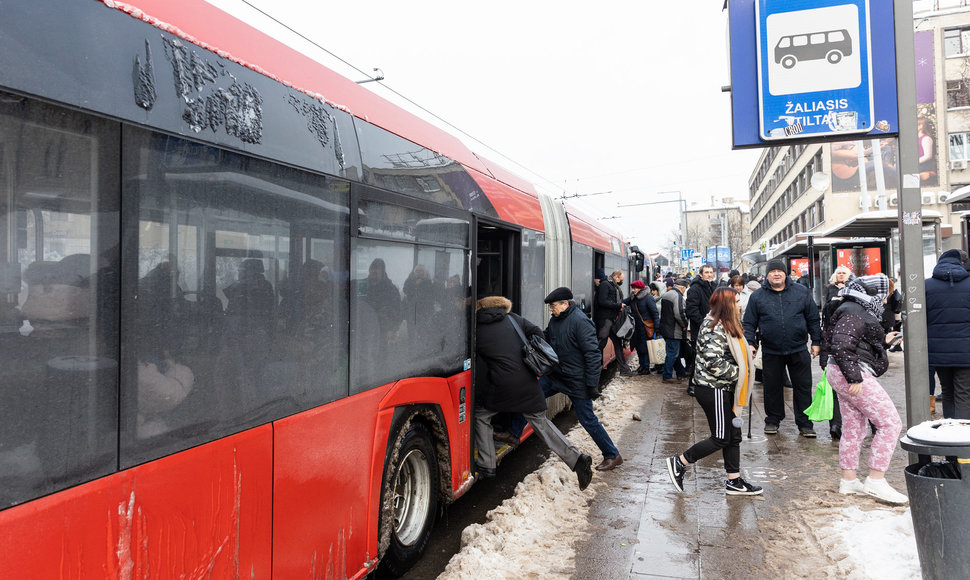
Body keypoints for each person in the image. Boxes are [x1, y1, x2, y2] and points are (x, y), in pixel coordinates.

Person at [473, 295, 593, 490]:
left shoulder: (476, 327)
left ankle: (487, 465)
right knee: (541, 423)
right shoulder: (513, 318)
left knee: (481, 415)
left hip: (502, 386)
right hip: (527, 381)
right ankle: (578, 460)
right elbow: (537, 332)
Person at [665, 287, 761, 496]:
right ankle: (680, 462)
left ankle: (734, 481)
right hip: (713, 388)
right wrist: (742, 372)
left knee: (733, 435)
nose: (740, 304)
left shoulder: (727, 324)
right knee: (721, 437)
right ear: (726, 305)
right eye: (736, 301)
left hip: (725, 388)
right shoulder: (713, 327)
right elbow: (714, 363)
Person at [823, 275, 907, 504]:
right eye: (884, 296)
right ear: (874, 293)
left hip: (842, 372)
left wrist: (885, 341)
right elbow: (841, 345)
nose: (884, 302)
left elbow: (853, 342)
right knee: (890, 423)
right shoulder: (855, 310)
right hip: (852, 373)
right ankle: (876, 479)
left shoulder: (853, 306)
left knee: (854, 426)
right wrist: (854, 377)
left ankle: (849, 481)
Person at [542, 287, 623, 471]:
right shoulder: (556, 320)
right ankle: (513, 433)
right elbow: (548, 337)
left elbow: (593, 355)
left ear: (565, 304)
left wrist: (591, 384)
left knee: (587, 419)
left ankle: (613, 455)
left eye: (553, 306)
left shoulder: (580, 321)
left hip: (577, 380)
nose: (550, 309)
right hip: (557, 376)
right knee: (530, 395)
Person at [743, 259, 822, 437]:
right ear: (767, 275)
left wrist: (816, 342)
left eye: (780, 271)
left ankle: (805, 423)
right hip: (771, 350)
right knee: (772, 387)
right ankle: (773, 419)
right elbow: (749, 323)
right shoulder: (757, 297)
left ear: (785, 273)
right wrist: (750, 343)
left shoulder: (801, 292)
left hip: (798, 348)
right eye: (772, 272)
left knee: (803, 387)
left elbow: (813, 319)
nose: (776, 274)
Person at [925, 249, 970, 420]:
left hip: (939, 351)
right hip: (966, 351)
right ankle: (963, 436)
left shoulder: (927, 286)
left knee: (947, 391)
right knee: (964, 393)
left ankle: (950, 431)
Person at [594, 269, 631, 375]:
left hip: (611, 320)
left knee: (618, 344)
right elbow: (602, 301)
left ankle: (624, 370)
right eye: (621, 280)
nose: (621, 282)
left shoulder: (612, 285)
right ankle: (595, 370)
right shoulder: (605, 285)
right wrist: (618, 305)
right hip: (605, 320)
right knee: (601, 344)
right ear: (616, 277)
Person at [624, 279, 659, 375]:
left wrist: (657, 327)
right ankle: (642, 365)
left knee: (645, 347)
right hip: (636, 327)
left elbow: (655, 313)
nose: (633, 290)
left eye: (635, 288)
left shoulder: (648, 298)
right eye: (632, 288)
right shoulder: (633, 298)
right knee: (638, 347)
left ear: (640, 288)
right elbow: (624, 302)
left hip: (646, 327)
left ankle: (646, 367)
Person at [660, 279, 689, 383]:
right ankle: (667, 376)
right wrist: (684, 325)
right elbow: (679, 313)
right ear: (682, 288)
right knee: (672, 353)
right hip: (674, 329)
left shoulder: (667, 294)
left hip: (665, 328)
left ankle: (681, 372)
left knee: (673, 352)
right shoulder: (677, 296)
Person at [685, 264, 716, 355]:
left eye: (711, 272)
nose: (709, 275)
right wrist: (704, 323)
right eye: (706, 272)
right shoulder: (694, 289)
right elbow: (691, 310)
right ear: (701, 274)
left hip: (715, 327)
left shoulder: (714, 287)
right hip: (700, 329)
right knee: (700, 355)